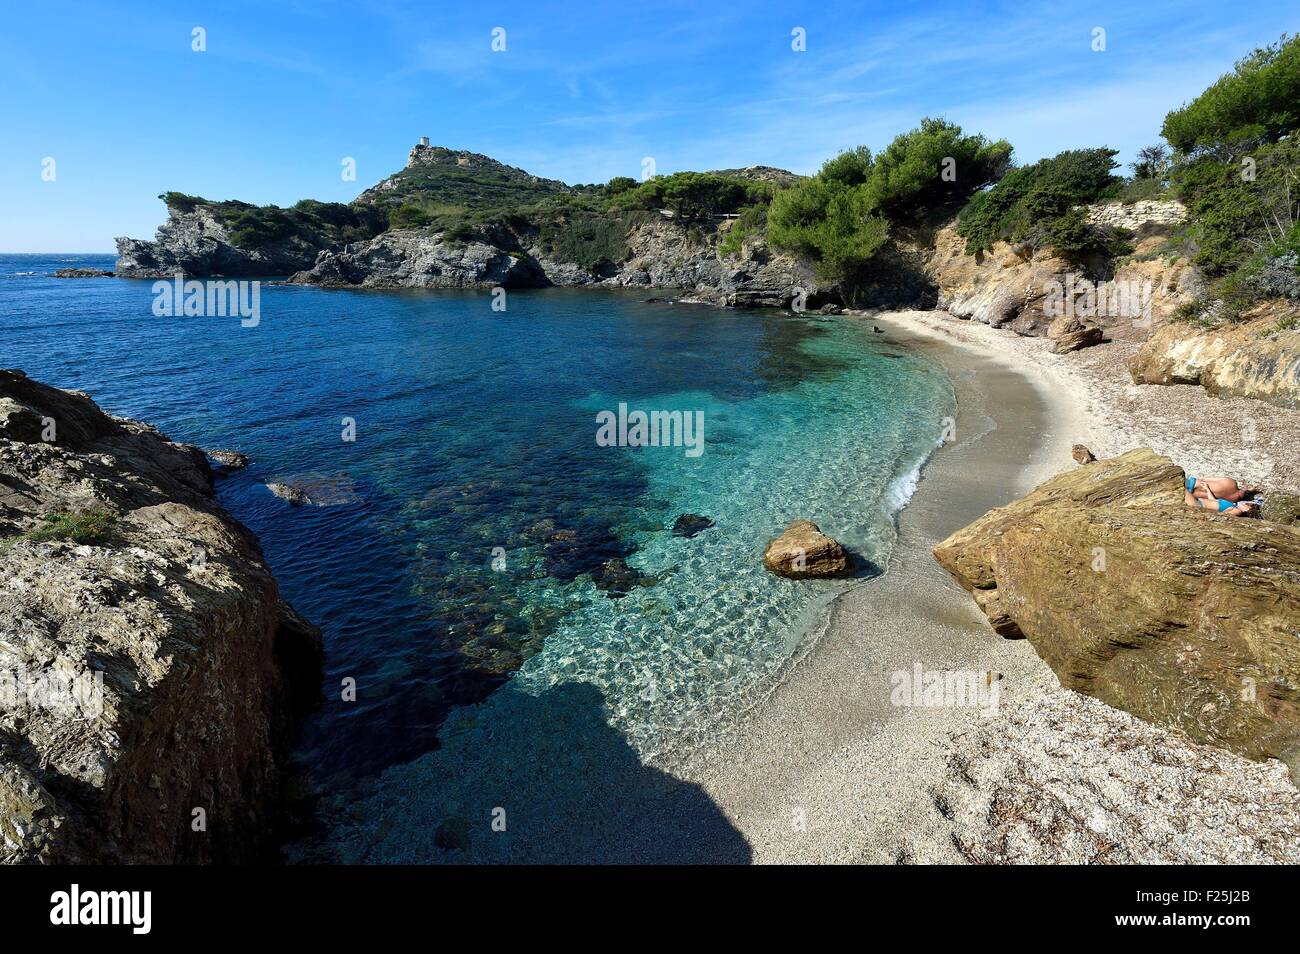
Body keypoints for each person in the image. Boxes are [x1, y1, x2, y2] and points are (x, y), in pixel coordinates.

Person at [1184, 474, 1258, 516]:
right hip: (1197, 499)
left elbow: (1206, 478)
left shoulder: (1237, 511)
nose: (1246, 504)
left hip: (1198, 502)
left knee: (1177, 485)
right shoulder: (1232, 504)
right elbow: (1214, 501)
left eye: (1248, 506)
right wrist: (1207, 489)